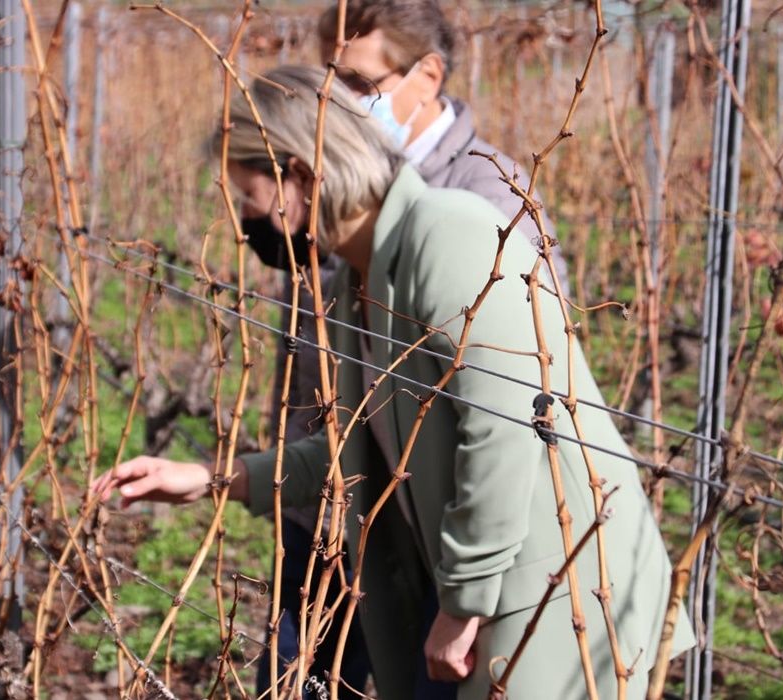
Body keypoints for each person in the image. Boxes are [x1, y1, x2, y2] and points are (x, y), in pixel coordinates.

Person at [94, 65, 693, 699]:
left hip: (558, 595)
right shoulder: (355, 285)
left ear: (298, 176)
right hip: (486, 591)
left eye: (247, 196)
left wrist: (461, 603)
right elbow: (364, 454)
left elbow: (507, 428)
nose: (244, 219)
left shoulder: (448, 234)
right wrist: (216, 479)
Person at [261, 5, 571, 693]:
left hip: (440, 547)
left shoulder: (489, 198)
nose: (335, 104)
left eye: (356, 82)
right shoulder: (331, 181)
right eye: (325, 85)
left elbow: (520, 407)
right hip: (330, 511)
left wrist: (466, 594)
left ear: (426, 76)